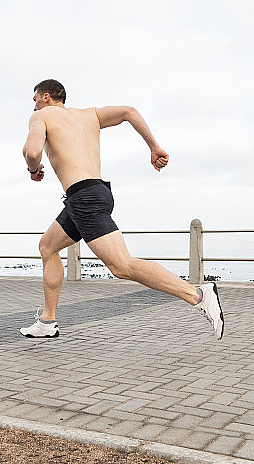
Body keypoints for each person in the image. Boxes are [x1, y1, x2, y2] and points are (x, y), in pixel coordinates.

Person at [19, 79, 224, 339]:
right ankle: (47, 322)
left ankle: (198, 295)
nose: (34, 104)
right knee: (48, 247)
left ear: (45, 96)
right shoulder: (89, 115)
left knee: (121, 265)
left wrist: (33, 170)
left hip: (85, 198)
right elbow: (129, 112)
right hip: (91, 194)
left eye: (35, 98)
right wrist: (154, 147)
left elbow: (33, 151)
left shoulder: (41, 116)